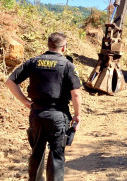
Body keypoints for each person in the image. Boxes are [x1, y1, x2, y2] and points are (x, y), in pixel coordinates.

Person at [5, 32, 82, 181]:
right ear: (64, 48)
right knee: (56, 156)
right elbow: (76, 94)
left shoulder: (33, 62)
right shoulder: (67, 65)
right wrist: (77, 115)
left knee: (37, 153)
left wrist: (26, 102)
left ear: (48, 45)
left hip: (36, 114)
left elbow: (10, 82)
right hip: (58, 116)